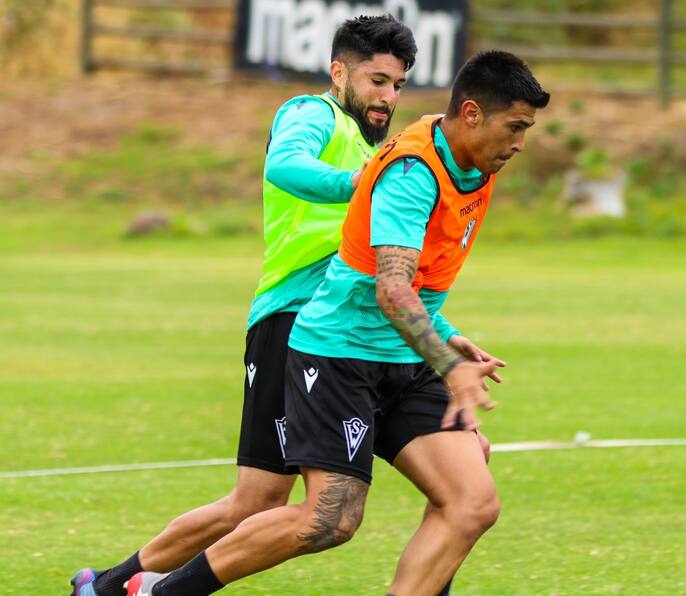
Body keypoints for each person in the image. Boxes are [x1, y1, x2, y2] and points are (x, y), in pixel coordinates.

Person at [125, 50, 549, 596]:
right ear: (472, 114)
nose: (520, 143)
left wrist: (445, 336)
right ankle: (156, 591)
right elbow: (391, 288)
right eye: (515, 127)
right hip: (339, 354)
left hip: (400, 355)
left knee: (471, 501)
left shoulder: (469, 164)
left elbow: (417, 284)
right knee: (330, 518)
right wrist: (449, 365)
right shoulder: (412, 171)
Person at [69, 14, 427, 596]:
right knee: (260, 501)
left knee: (259, 501)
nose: (388, 97)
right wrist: (358, 182)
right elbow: (284, 165)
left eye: (398, 85)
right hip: (294, 319)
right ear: (339, 72)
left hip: (346, 329)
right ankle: (115, 587)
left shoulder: (377, 146)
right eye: (377, 81)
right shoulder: (313, 114)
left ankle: (107, 587)